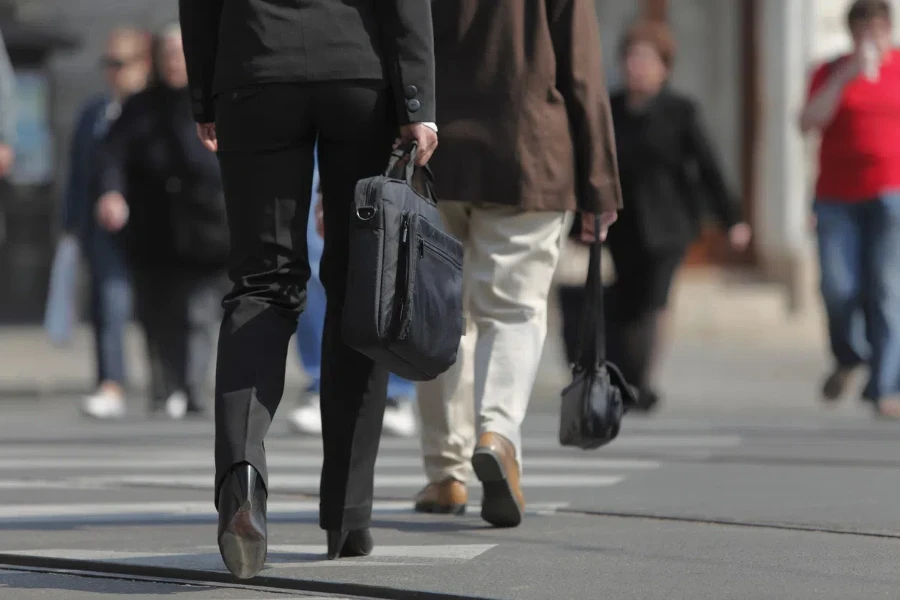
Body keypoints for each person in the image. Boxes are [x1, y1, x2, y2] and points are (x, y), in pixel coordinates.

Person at [178, 0, 438, 578]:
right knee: (358, 284)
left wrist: (204, 93)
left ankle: (242, 476)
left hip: (253, 71)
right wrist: (418, 100)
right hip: (357, 71)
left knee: (262, 283)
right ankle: (347, 514)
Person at [413, 0, 620, 528]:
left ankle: (446, 473)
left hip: (434, 156)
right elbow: (582, 70)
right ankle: (497, 433)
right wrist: (600, 182)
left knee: (441, 317)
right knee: (514, 310)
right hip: (528, 152)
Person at [598, 21, 750, 412]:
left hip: (670, 224)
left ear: (665, 68)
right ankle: (628, 377)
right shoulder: (609, 109)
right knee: (629, 299)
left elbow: (708, 165)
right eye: (632, 59)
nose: (638, 68)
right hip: (623, 222)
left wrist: (732, 219)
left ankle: (643, 380)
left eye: (647, 61)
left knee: (656, 299)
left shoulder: (680, 111)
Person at [95, 23, 230, 420]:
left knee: (200, 313)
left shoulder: (216, 102)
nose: (174, 61)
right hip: (154, 230)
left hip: (207, 229)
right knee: (157, 312)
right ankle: (164, 386)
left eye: (181, 53)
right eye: (168, 54)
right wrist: (112, 193)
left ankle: (192, 386)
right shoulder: (140, 106)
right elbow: (112, 157)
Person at [800, 0, 900, 418]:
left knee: (886, 290)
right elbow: (808, 121)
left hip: (891, 194)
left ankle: (885, 387)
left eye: (877, 27)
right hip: (837, 198)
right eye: (862, 27)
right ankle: (849, 354)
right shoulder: (830, 70)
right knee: (838, 288)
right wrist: (846, 76)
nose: (870, 35)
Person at [290, 153, 418, 438]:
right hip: (305, 124)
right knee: (312, 253)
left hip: (381, 118)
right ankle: (323, 380)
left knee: (392, 248)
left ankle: (396, 387)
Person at [64, 28, 151, 420]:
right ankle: (110, 383)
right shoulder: (93, 113)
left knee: (163, 308)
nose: (113, 72)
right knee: (109, 305)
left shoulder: (154, 111)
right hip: (102, 227)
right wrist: (71, 226)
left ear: (143, 65)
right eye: (108, 63)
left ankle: (172, 384)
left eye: (121, 63)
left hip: (155, 227)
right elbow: (78, 174)